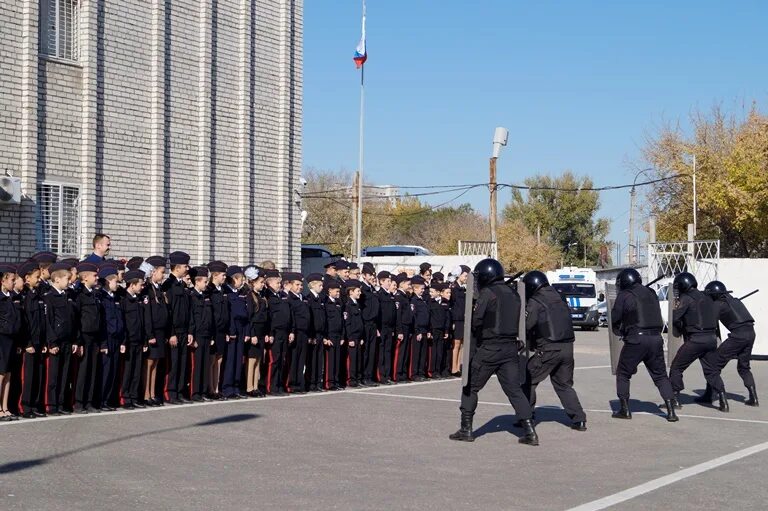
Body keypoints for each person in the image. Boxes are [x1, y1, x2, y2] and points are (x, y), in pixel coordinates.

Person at [449, 258, 538, 445]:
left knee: (470, 386)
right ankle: (530, 431)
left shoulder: (488, 293)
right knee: (514, 390)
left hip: (490, 347)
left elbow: (477, 321)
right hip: (510, 348)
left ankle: (466, 429)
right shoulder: (514, 294)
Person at [521, 271, 587, 431]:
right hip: (567, 348)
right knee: (564, 385)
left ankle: (526, 417)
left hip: (549, 348)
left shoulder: (536, 301)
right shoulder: (559, 297)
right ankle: (579, 419)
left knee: (527, 380)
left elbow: (527, 325)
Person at [610, 268, 678, 422]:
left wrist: (620, 329)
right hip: (656, 338)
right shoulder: (651, 293)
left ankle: (624, 409)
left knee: (623, 373)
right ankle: (671, 411)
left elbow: (615, 317)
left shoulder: (624, 295)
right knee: (660, 375)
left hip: (636, 339)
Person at [668, 272, 722, 410]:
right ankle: (722, 399)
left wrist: (680, 325)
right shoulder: (707, 297)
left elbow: (675, 318)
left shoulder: (686, 298)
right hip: (711, 339)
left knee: (676, 368)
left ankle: (675, 399)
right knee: (712, 371)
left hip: (696, 339)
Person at [701, 281, 759, 407]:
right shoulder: (736, 301)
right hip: (750, 333)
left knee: (712, 365)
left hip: (738, 336)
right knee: (744, 367)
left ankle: (717, 398)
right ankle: (753, 397)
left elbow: (710, 323)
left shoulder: (717, 304)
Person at [43, 261, 77, 415]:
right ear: (57, 279)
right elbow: (48, 321)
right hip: (56, 341)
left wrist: (75, 340)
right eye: (66, 279)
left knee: (65, 374)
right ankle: (52, 404)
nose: (69, 282)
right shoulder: (49, 297)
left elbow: (73, 320)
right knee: (54, 375)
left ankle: (62, 403)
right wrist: (52, 342)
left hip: (68, 341)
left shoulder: (68, 296)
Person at [18, 261, 46, 418]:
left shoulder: (38, 295)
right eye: (36, 277)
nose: (39, 279)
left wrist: (43, 341)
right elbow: (24, 323)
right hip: (29, 344)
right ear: (27, 278)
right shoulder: (25, 297)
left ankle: (35, 405)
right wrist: (27, 343)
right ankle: (26, 407)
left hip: (39, 342)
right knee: (27, 377)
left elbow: (42, 321)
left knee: (38, 375)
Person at [73, 262, 103, 413]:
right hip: (84, 337)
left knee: (93, 369)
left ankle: (89, 401)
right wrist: (78, 341)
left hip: (95, 337)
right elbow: (76, 319)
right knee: (83, 370)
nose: (97, 278)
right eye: (95, 275)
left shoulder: (95, 294)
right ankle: (79, 402)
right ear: (85, 277)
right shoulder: (80, 295)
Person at [163, 251, 192, 404]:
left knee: (182, 362)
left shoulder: (182, 285)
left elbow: (187, 311)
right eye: (185, 266)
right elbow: (168, 312)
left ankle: (180, 391)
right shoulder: (169, 285)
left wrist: (189, 331)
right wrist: (172, 333)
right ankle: (171, 392)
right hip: (174, 332)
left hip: (184, 330)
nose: (187, 269)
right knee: (173, 364)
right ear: (177, 267)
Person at [142, 255, 169, 407]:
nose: (163, 275)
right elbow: (147, 315)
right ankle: (146, 394)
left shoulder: (159, 289)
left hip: (160, 333)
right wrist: (150, 334)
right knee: (149, 364)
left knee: (156, 364)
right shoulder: (147, 290)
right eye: (161, 272)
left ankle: (153, 393)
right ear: (152, 272)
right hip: (152, 333)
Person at [98, 264, 125, 411]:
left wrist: (122, 339)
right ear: (108, 281)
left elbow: (119, 319)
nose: (118, 283)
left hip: (116, 338)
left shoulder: (114, 297)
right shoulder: (102, 298)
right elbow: (103, 322)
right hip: (107, 339)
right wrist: (103, 343)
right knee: (106, 372)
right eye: (116, 281)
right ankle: (102, 400)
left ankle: (109, 399)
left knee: (114, 371)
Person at [120, 270, 147, 409]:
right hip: (129, 341)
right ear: (132, 284)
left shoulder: (138, 300)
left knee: (137, 371)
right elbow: (123, 323)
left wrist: (144, 340)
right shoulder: (124, 300)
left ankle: (134, 396)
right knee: (128, 370)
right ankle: (126, 397)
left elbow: (142, 322)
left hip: (138, 340)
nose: (142, 287)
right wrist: (124, 341)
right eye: (140, 285)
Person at [264, 269, 291, 395]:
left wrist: (291, 330)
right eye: (277, 283)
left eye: (280, 283)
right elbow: (268, 317)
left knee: (282, 360)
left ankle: (279, 385)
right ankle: (271, 386)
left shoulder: (281, 295)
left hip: (284, 332)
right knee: (273, 361)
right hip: (274, 333)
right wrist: (270, 333)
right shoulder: (268, 296)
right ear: (269, 283)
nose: (279, 285)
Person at [188, 266, 214, 402]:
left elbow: (209, 317)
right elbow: (191, 317)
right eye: (204, 281)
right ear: (197, 282)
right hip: (197, 335)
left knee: (205, 364)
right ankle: (195, 392)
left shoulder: (206, 297)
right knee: (196, 366)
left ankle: (203, 391)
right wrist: (192, 334)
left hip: (206, 334)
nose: (206, 284)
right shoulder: (191, 296)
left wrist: (211, 335)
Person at [223, 266, 248, 400]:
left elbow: (245, 313)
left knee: (239, 359)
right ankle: (227, 388)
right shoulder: (227, 292)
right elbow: (230, 314)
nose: (242, 282)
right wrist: (231, 330)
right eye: (240, 279)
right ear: (234, 279)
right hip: (233, 328)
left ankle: (236, 386)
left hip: (241, 328)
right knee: (231, 360)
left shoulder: (240, 293)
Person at [0, 264, 21, 421]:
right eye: (12, 280)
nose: (14, 283)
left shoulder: (12, 297)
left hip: (11, 339)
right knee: (0, 374)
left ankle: (5, 407)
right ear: (3, 280)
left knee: (8, 375)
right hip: (2, 339)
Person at [207, 261, 229, 400]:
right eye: (223, 275)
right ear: (215, 275)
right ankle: (210, 388)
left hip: (222, 330)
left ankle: (216, 387)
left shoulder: (222, 289)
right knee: (212, 360)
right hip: (213, 330)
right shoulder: (210, 290)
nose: (224, 277)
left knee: (219, 360)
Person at [285, 272, 310, 393]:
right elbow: (291, 317)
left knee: (301, 359)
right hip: (296, 332)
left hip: (304, 333)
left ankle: (300, 383)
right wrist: (292, 331)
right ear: (290, 284)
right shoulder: (289, 298)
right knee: (293, 359)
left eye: (301, 285)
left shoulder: (303, 298)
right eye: (297, 284)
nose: (300, 287)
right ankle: (291, 384)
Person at [245, 267, 268, 397]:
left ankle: (255, 386)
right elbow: (250, 317)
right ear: (253, 282)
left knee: (258, 360)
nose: (263, 285)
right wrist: (252, 334)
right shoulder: (250, 296)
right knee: (251, 360)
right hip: (254, 331)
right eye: (261, 282)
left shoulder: (261, 296)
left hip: (261, 332)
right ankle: (249, 387)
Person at [360, 263, 380, 386]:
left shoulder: (372, 289)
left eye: (373, 274)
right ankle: (363, 376)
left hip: (373, 324)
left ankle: (369, 375)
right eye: (370, 275)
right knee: (365, 351)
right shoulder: (362, 289)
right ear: (364, 275)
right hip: (365, 323)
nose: (372, 277)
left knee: (372, 351)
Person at [305, 273, 326, 392]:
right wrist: (311, 335)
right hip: (313, 334)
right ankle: (311, 382)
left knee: (319, 359)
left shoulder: (320, 299)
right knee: (312, 360)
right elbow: (310, 319)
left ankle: (318, 382)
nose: (322, 287)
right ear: (312, 285)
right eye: (319, 285)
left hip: (320, 334)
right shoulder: (309, 299)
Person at [449, 265, 470, 377]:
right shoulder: (454, 288)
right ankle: (453, 368)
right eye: (465, 275)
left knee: (461, 343)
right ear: (459, 275)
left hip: (463, 318)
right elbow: (452, 305)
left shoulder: (464, 288)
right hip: (456, 319)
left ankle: (458, 366)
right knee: (456, 343)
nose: (466, 278)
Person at [323, 281, 344, 391]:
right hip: (330, 335)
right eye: (336, 291)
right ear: (330, 291)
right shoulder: (326, 303)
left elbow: (341, 321)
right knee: (330, 361)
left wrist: (342, 336)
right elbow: (325, 322)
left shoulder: (338, 303)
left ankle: (335, 381)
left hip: (337, 335)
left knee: (337, 360)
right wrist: (326, 337)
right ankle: (329, 382)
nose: (338, 293)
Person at [343, 280, 364, 387]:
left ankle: (358, 378)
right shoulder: (348, 305)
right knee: (352, 360)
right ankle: (351, 379)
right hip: (352, 337)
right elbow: (348, 323)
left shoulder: (357, 304)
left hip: (358, 336)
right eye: (358, 291)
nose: (360, 293)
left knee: (358, 359)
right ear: (351, 292)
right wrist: (350, 338)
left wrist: (361, 337)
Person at [377, 271, 396, 385]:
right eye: (388, 281)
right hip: (382, 327)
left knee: (388, 352)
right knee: (382, 352)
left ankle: (387, 374)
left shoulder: (390, 295)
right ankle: (381, 375)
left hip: (389, 327)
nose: (389, 283)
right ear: (381, 282)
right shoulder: (379, 295)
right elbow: (379, 313)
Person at [410, 275, 430, 381]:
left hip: (424, 330)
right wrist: (417, 331)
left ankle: (421, 372)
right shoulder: (414, 301)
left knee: (423, 353)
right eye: (421, 289)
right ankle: (414, 373)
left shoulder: (422, 300)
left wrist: (427, 330)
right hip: (417, 331)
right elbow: (414, 317)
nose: (423, 291)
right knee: (416, 354)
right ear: (415, 288)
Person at [428, 283, 450, 379]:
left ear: (438, 292)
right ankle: (432, 371)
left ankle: (438, 370)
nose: (430, 294)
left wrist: (446, 330)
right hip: (434, 330)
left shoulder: (445, 302)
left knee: (440, 351)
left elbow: (447, 318)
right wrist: (429, 330)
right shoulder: (430, 302)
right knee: (434, 351)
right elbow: (428, 317)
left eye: (432, 292)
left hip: (441, 330)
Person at [394, 273, 413, 383]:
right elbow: (398, 315)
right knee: (401, 352)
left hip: (407, 327)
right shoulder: (399, 297)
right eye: (408, 283)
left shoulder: (405, 296)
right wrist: (400, 330)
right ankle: (398, 373)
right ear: (401, 284)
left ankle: (404, 373)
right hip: (402, 327)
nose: (409, 285)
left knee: (405, 352)